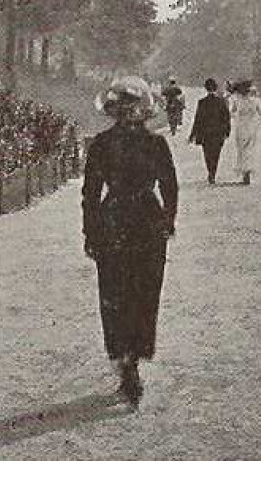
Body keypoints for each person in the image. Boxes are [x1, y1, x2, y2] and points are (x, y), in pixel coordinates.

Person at [83, 75, 178, 407]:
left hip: (114, 221)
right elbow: (170, 188)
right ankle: (133, 360)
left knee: (115, 293)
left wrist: (90, 233)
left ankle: (125, 358)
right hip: (147, 222)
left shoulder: (101, 144)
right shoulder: (155, 144)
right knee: (143, 292)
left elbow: (91, 196)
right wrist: (168, 221)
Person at [189, 77, 231, 183]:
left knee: (207, 154)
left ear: (206, 88)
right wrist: (227, 131)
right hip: (218, 133)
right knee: (216, 153)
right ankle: (213, 172)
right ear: (215, 88)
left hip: (205, 133)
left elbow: (197, 119)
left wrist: (193, 134)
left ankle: (210, 172)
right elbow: (226, 117)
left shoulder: (202, 102)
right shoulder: (221, 102)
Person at [228, 79, 261, 185]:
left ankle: (245, 172)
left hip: (242, 127)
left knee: (242, 150)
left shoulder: (237, 101)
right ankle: (247, 172)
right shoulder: (256, 101)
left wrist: (237, 117)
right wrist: (259, 124)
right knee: (249, 149)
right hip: (251, 127)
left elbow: (231, 113)